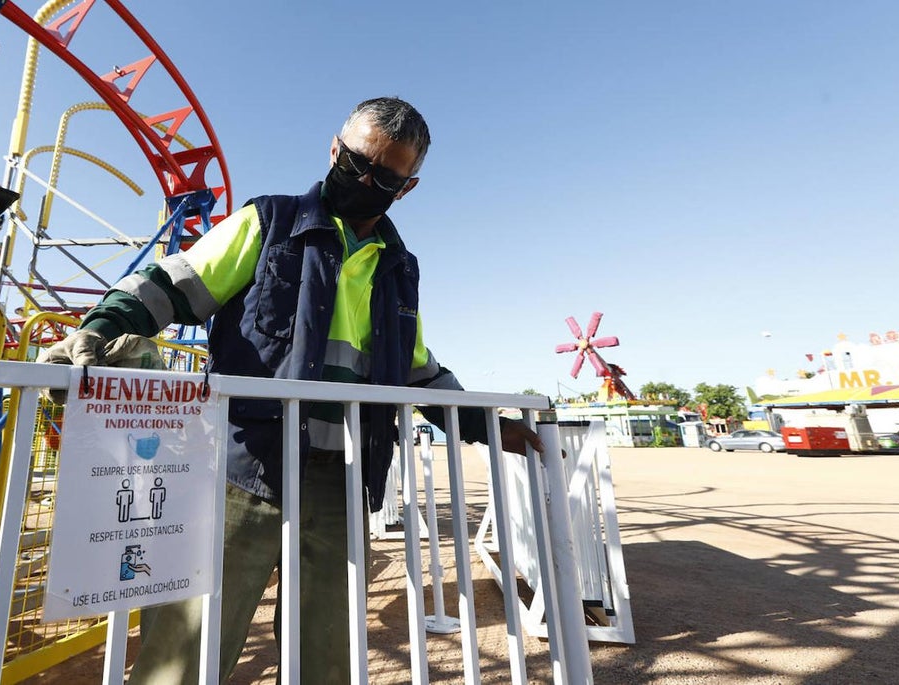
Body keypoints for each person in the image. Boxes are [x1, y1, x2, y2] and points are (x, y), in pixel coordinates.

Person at [40, 96, 542, 684]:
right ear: (335, 149)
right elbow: (173, 285)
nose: (363, 180)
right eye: (355, 162)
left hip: (341, 482)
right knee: (188, 647)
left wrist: (487, 424)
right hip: (240, 468)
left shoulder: (397, 268)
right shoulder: (269, 224)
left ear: (406, 187)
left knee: (327, 653)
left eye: (383, 176)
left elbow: (417, 371)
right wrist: (102, 328)